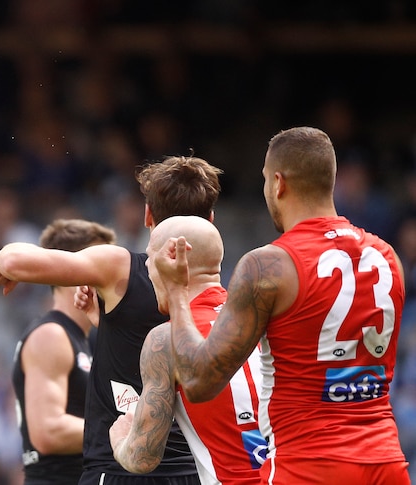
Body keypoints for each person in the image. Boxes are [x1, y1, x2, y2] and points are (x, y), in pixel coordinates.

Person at [152, 127, 410, 484]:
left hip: (308, 466)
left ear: (278, 183)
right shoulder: (388, 257)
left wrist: (178, 293)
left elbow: (199, 381)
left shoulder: (269, 266)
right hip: (386, 464)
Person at [0, 156, 223, 484]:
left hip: (119, 469)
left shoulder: (121, 268)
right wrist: (113, 326)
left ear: (147, 216)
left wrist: (3, 262)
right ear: (211, 220)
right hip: (191, 472)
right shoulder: (221, 300)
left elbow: (15, 259)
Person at [109, 215, 266, 484]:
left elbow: (141, 457)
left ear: (171, 258)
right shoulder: (262, 316)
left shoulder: (165, 339)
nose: (146, 266)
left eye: (149, 256)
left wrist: (121, 438)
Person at [0, 219, 116, 484]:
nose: (110, 275)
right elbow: (48, 431)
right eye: (100, 265)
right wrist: (123, 433)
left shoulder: (79, 339)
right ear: (69, 271)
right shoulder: (51, 335)